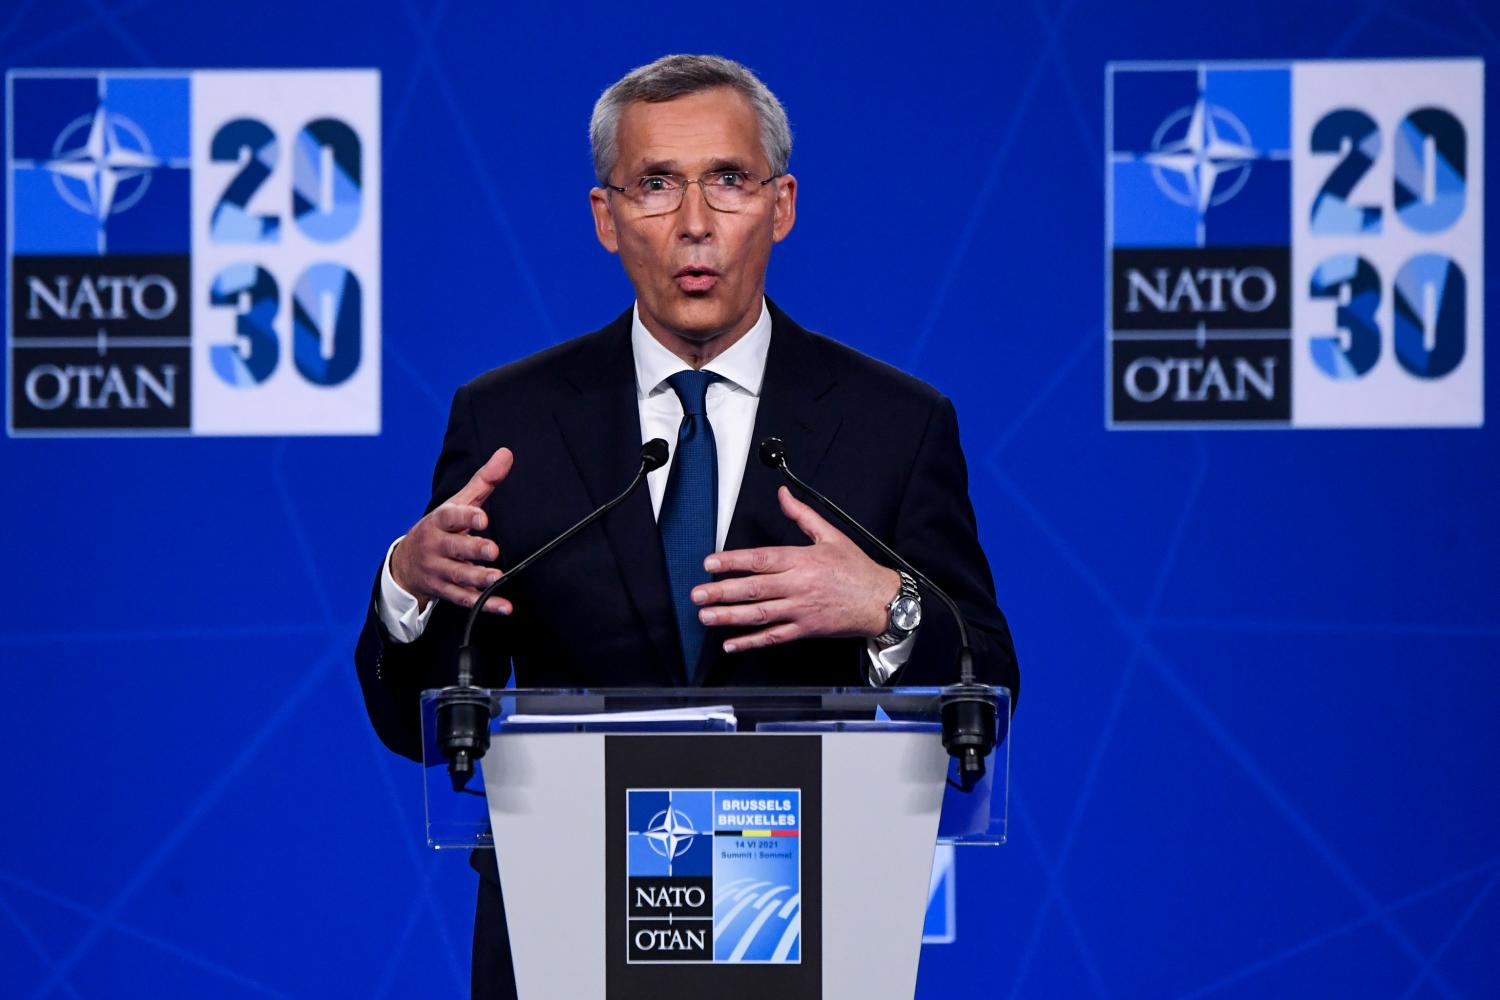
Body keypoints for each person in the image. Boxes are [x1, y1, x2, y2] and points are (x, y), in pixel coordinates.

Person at [354, 53, 1018, 1000]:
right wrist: (409, 590)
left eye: (728, 181)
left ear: (781, 206)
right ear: (606, 217)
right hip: (561, 937)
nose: (695, 224)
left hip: (805, 935)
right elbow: (417, 722)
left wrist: (889, 606)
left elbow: (988, 690)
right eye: (657, 184)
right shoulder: (511, 422)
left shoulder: (893, 425)